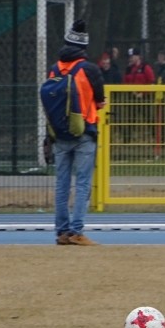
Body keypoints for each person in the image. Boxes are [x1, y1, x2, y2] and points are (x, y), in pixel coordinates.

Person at [50, 20, 106, 246]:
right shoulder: (89, 69)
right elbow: (100, 100)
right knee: (82, 184)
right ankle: (77, 231)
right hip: (85, 131)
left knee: (61, 185)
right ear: (84, 47)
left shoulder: (55, 69)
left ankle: (62, 232)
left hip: (59, 134)